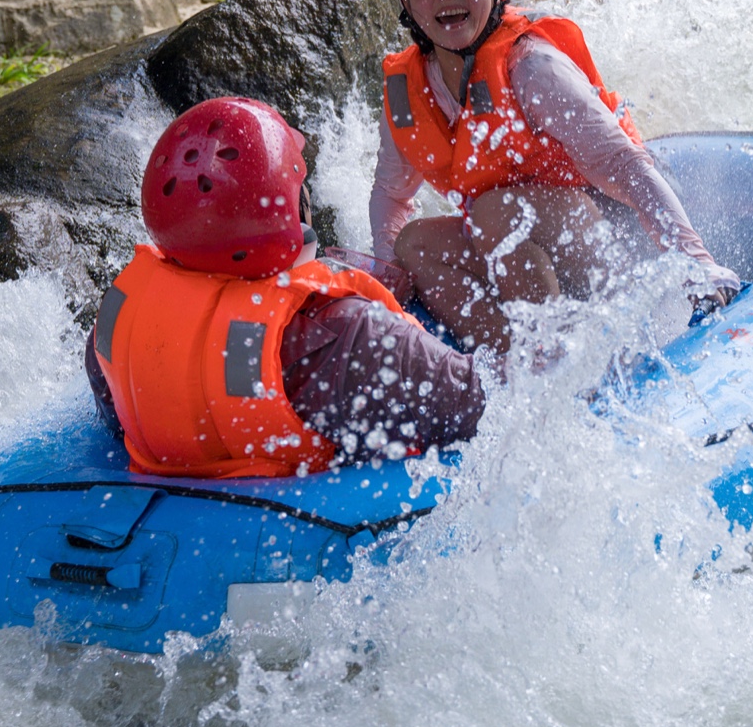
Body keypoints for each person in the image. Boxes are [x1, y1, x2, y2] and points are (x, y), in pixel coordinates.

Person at [368, 0, 741, 352]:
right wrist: (387, 284)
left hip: (607, 240)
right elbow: (391, 196)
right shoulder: (404, 92)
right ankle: (510, 364)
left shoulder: (531, 65)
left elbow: (624, 164)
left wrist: (693, 260)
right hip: (516, 244)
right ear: (407, 3)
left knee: (493, 212)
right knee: (415, 244)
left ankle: (551, 360)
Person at [86, 96, 485, 479]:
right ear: (291, 207)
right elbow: (481, 408)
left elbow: (115, 421)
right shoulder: (352, 334)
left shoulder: (117, 316)